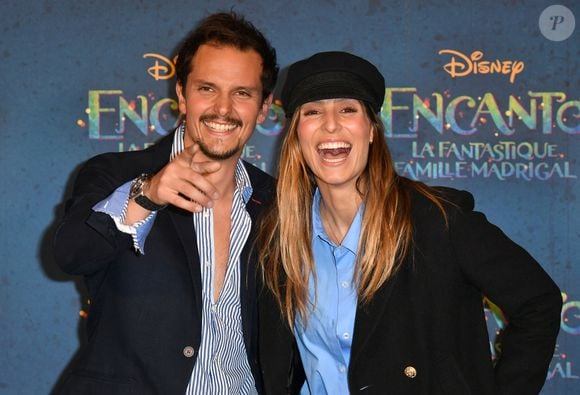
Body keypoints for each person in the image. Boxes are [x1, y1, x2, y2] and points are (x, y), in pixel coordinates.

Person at [257, 51, 562, 394]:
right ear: (296, 134)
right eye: (313, 111)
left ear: (371, 130)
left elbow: (539, 302)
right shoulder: (279, 239)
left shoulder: (438, 221)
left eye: (347, 109)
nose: (330, 124)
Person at [53, 12, 278, 394]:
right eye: (207, 88)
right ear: (181, 95)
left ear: (263, 107)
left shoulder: (277, 199)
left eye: (242, 93)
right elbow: (71, 253)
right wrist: (147, 195)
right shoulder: (114, 174)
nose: (223, 108)